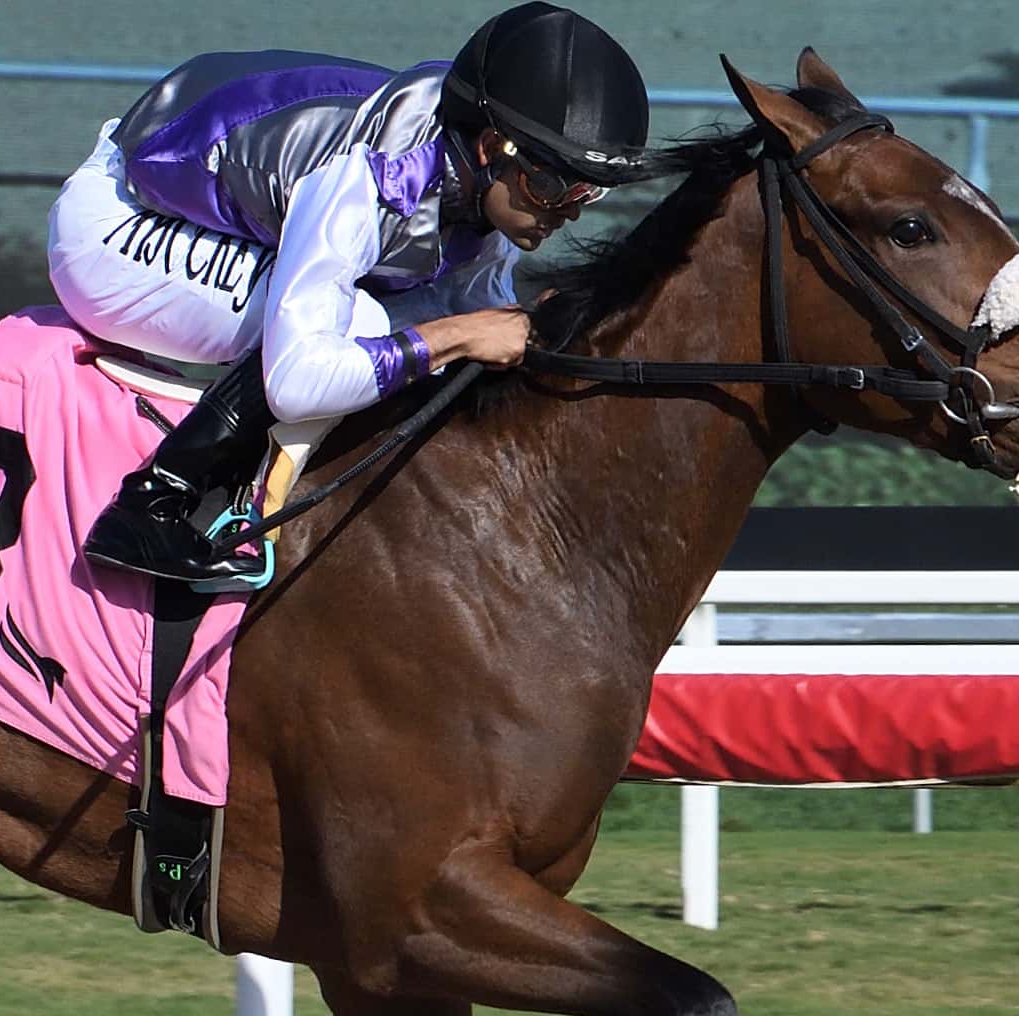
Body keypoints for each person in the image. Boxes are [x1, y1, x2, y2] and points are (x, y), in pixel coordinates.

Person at [50, 4, 658, 585]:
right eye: (553, 186)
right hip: (114, 221)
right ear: (489, 147)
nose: (566, 214)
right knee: (359, 320)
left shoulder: (481, 183)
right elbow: (296, 381)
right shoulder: (371, 172)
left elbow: (482, 318)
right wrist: (460, 335)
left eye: (586, 194)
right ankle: (151, 507)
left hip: (204, 214)